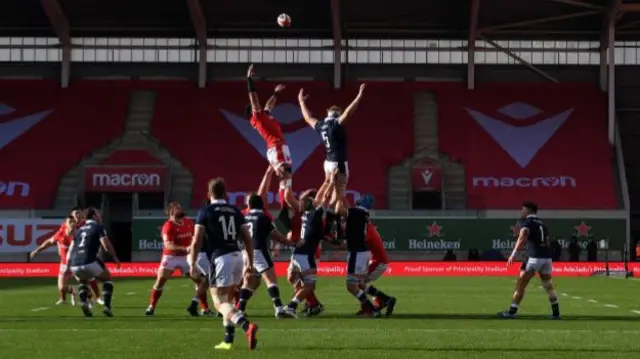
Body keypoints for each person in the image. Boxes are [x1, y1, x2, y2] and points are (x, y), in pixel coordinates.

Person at [188, 178, 259, 351]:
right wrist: (249, 262)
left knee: (219, 303)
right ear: (225, 193)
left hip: (220, 258)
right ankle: (228, 341)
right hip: (237, 256)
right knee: (227, 299)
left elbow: (197, 240)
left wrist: (193, 263)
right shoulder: (235, 210)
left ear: (208, 193)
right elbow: (247, 238)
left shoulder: (206, 210)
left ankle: (246, 326)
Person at [298, 84, 366, 241]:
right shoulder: (336, 124)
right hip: (339, 163)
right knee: (338, 196)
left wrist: (301, 102)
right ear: (337, 115)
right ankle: (329, 227)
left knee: (336, 195)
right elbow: (349, 112)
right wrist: (359, 96)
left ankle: (340, 227)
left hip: (328, 162)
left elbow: (308, 117)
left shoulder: (321, 125)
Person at [145, 202, 210, 316]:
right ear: (171, 212)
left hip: (186, 257)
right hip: (171, 257)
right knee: (160, 281)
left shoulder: (189, 222)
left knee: (201, 281)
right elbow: (168, 245)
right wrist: (185, 248)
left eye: (180, 207)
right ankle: (152, 306)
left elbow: (194, 237)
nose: (181, 210)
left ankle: (205, 309)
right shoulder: (168, 226)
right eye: (177, 209)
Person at [284, 176, 337, 316]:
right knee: (308, 285)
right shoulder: (312, 214)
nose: (300, 201)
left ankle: (309, 305)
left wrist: (329, 181)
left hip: (299, 253)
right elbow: (323, 197)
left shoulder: (310, 214)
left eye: (303, 199)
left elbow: (323, 197)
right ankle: (291, 307)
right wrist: (330, 182)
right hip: (305, 255)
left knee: (294, 278)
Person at [500, 201, 560, 319]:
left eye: (523, 209)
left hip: (535, 259)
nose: (521, 212)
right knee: (548, 286)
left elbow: (522, 237)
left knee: (521, 284)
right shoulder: (543, 224)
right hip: (546, 258)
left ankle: (511, 312)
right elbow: (546, 241)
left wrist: (513, 254)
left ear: (528, 211)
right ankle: (556, 313)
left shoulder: (527, 222)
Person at [246, 64, 291, 210]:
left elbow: (269, 105)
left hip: (276, 148)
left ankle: (285, 205)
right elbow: (254, 99)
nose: (265, 109)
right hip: (276, 147)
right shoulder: (257, 117)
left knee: (285, 177)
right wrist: (249, 80)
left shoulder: (264, 116)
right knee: (285, 175)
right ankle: (285, 208)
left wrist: (276, 93)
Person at [67, 208, 120, 317]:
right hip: (89, 261)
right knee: (108, 279)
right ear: (94, 216)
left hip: (75, 264)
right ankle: (107, 307)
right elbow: (106, 245)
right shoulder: (98, 228)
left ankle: (83, 302)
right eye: (99, 214)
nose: (101, 216)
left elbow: (71, 250)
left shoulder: (79, 230)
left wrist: (68, 266)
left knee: (84, 282)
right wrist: (114, 257)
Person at [335, 193, 379, 317]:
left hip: (357, 253)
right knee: (359, 283)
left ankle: (369, 308)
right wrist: (342, 196)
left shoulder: (357, 212)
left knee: (351, 286)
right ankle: (373, 306)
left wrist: (339, 195)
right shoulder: (361, 213)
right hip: (362, 252)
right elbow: (349, 210)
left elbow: (339, 210)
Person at [30, 216, 77, 305]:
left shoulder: (78, 235)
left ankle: (89, 300)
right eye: (69, 222)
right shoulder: (60, 234)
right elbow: (49, 242)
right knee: (62, 288)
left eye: (73, 222)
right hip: (64, 264)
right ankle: (70, 293)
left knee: (86, 282)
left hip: (77, 264)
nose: (71, 223)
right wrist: (37, 250)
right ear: (65, 224)